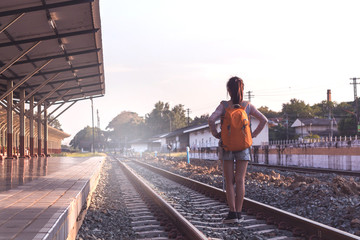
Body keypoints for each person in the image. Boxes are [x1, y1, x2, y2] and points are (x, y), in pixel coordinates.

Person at [208, 76, 268, 224]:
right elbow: (264, 120)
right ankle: (239, 214)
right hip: (243, 146)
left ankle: (232, 213)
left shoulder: (223, 105)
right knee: (240, 180)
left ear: (228, 90)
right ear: (242, 89)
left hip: (226, 145)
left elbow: (211, 119)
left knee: (229, 181)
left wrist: (216, 134)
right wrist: (252, 136)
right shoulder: (248, 106)